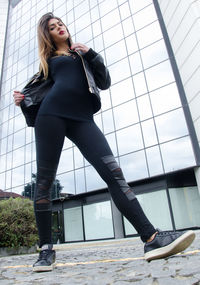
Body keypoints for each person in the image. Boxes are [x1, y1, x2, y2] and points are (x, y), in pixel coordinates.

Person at [13, 13, 195, 272]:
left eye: (61, 24)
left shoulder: (82, 54)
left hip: (83, 119)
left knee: (114, 175)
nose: (59, 28)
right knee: (44, 182)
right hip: (50, 116)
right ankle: (45, 251)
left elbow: (104, 81)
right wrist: (22, 101)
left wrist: (91, 54)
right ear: (48, 35)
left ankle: (152, 238)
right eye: (53, 27)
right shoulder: (49, 62)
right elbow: (33, 100)